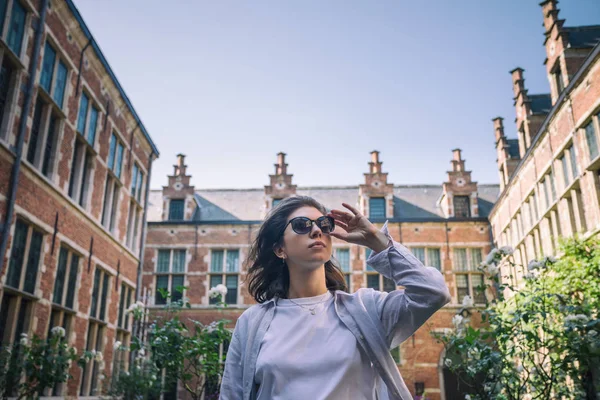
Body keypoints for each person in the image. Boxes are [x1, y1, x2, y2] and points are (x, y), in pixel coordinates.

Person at [219, 196, 451, 400]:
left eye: (324, 224)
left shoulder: (366, 310)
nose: (317, 230)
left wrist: (375, 239)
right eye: (301, 225)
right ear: (280, 249)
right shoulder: (251, 323)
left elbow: (432, 292)